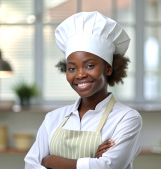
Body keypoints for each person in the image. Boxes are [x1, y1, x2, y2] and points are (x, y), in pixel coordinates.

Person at [24, 11, 142, 169]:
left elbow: (107, 166)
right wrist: (91, 161)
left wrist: (50, 161)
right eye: (72, 68)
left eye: (90, 66)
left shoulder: (126, 118)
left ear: (108, 69)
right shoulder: (53, 119)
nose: (80, 74)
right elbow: (30, 164)